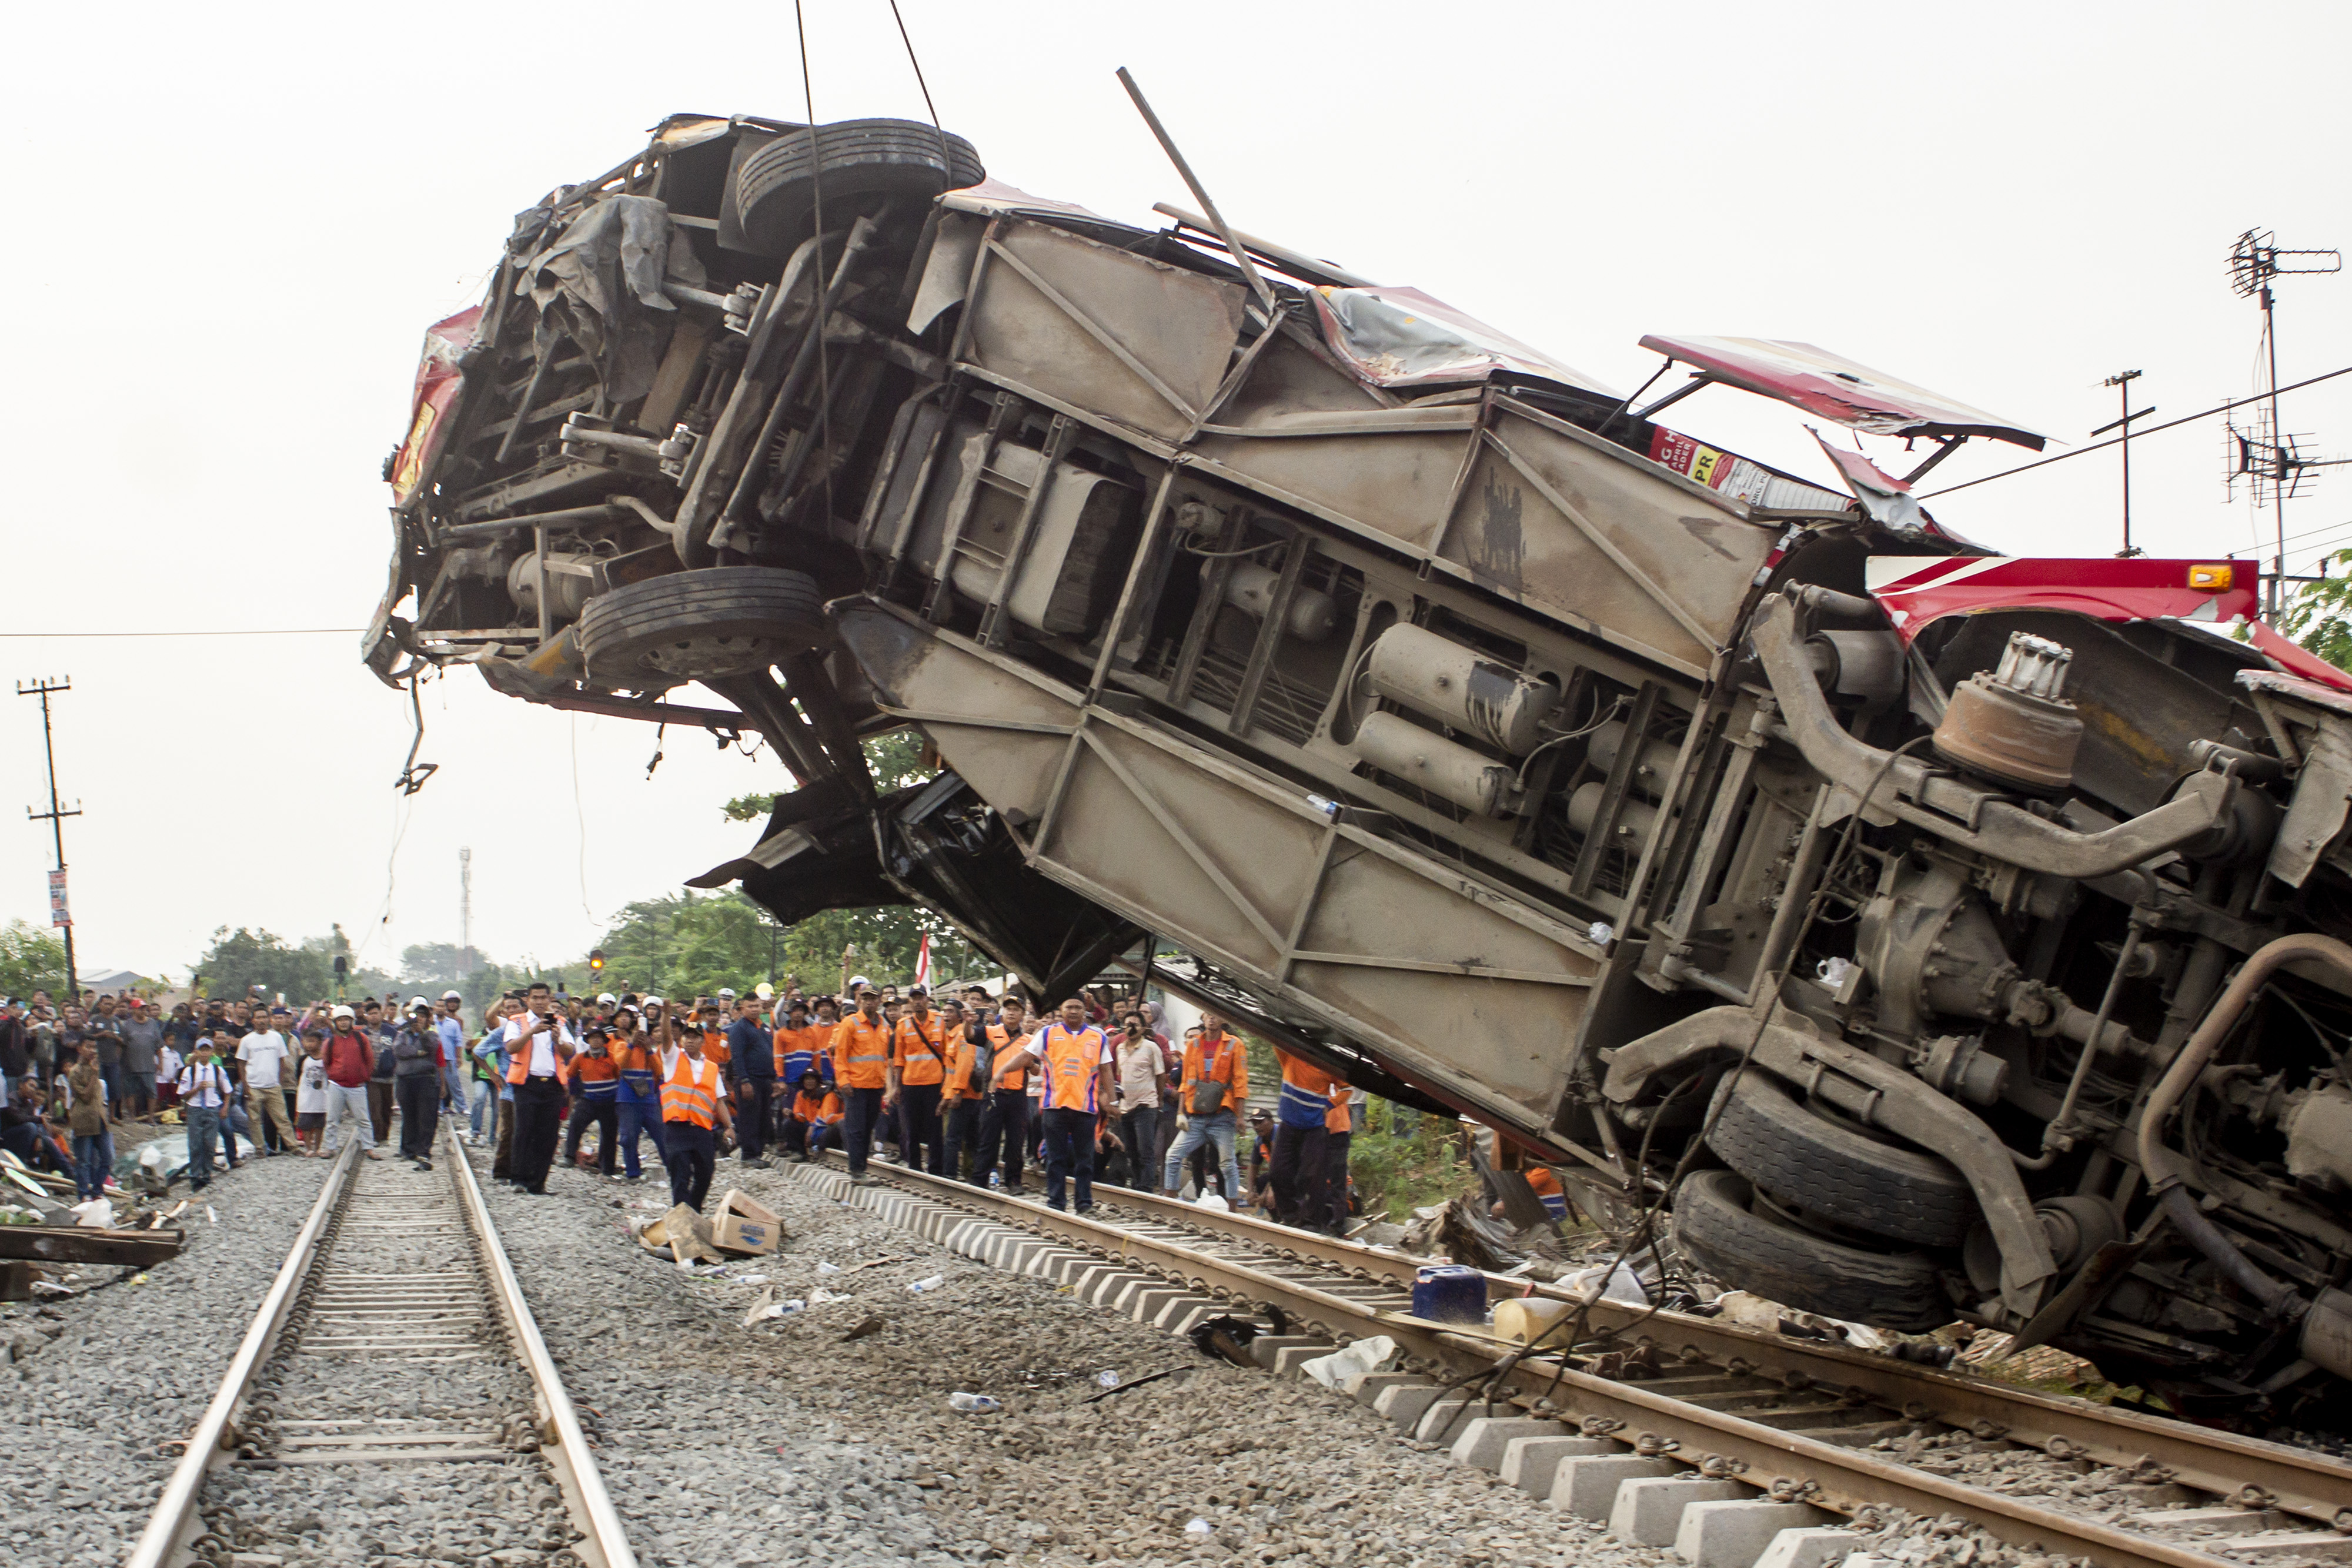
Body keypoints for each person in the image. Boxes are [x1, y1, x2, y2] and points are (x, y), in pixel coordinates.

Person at [1010, 998, 1116, 1213]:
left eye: (1078, 1007)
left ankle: (1084, 1204)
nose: (1074, 1011)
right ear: (1061, 1009)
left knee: (1085, 1161)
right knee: (1055, 1159)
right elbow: (1026, 1056)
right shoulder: (1048, 1034)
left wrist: (1113, 1101)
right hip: (1054, 1107)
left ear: (1085, 1010)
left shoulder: (1097, 1037)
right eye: (1069, 1007)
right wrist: (1003, 1071)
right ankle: (1056, 1202)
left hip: (1085, 1108)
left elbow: (1106, 1070)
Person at [1162, 1011, 1248, 1202]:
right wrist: (1181, 1113)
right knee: (1173, 1157)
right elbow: (1186, 1081)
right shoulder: (1194, 1045)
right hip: (1197, 1116)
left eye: (1216, 1014)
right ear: (1203, 1019)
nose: (1212, 1017)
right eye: (1208, 1014)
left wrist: (1240, 1117)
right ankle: (1170, 1204)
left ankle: (1232, 1213)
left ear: (1224, 1018)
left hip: (1223, 1116)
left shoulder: (1235, 1045)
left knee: (1227, 1165)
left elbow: (1241, 1083)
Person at [503, 984, 575, 1194]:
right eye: (535, 998)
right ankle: (518, 1179)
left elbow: (569, 1051)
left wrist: (557, 1039)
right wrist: (533, 1031)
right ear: (528, 1000)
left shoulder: (560, 1022)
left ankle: (537, 1183)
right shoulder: (517, 1021)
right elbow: (511, 1047)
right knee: (524, 1131)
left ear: (550, 998)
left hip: (552, 1085)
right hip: (527, 1084)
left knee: (548, 1135)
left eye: (544, 998)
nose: (540, 1002)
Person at [658, 1021, 732, 1209]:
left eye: (694, 1037)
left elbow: (719, 1100)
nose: (689, 1041)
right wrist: (665, 1014)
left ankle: (693, 1210)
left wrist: (730, 1126)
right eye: (687, 1037)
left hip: (701, 1130)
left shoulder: (712, 1068)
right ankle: (683, 1219)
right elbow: (666, 1039)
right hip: (677, 1128)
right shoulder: (673, 1059)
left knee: (706, 1174)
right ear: (681, 1039)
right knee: (680, 1176)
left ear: (702, 1041)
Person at [971, 994, 1034, 1192]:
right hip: (993, 1094)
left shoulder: (1030, 1040)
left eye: (1016, 1009)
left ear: (1023, 1014)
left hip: (1017, 1096)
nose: (1011, 1013)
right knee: (989, 1139)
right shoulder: (991, 1031)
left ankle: (1014, 1181)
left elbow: (1037, 1069)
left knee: (1016, 1142)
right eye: (1008, 1009)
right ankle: (979, 1179)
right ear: (1002, 1012)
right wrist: (967, 1023)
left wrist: (1028, 1061)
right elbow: (971, 1036)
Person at [830, 986, 892, 1186]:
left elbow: (885, 1056)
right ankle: (857, 1171)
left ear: (879, 1001)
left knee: (867, 1129)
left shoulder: (884, 1025)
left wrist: (887, 1084)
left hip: (875, 1085)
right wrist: (844, 1081)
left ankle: (862, 1168)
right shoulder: (850, 1023)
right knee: (856, 1129)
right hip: (855, 1086)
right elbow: (840, 1055)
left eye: (873, 999)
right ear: (859, 1000)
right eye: (865, 998)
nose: (869, 1002)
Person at [887, 987, 949, 1176]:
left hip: (934, 1084)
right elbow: (898, 1059)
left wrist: (946, 1086)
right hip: (910, 1084)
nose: (917, 1002)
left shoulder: (940, 1022)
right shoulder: (903, 1025)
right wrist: (897, 1087)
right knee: (911, 1128)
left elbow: (947, 1056)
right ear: (910, 1002)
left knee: (934, 1129)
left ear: (927, 999)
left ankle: (935, 1169)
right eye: (913, 998)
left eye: (920, 998)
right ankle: (914, 1166)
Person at [1269, 1047, 1334, 1226]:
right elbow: (1276, 1040)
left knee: (1311, 1175)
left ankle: (1312, 1221)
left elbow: (1346, 1088)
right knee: (1277, 1172)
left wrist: (1331, 1104)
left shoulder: (1327, 1067)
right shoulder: (1290, 1058)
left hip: (1314, 1129)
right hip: (1288, 1125)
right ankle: (1290, 1215)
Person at [320, 1005, 381, 1159]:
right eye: (340, 1020)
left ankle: (369, 1147)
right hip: (337, 1086)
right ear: (335, 1022)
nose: (343, 1023)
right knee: (332, 1119)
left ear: (352, 1021)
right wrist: (335, 1075)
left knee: (363, 1119)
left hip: (357, 1086)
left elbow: (369, 1060)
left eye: (346, 1020)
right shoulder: (331, 1042)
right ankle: (330, 1148)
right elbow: (326, 1062)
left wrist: (364, 1076)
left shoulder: (362, 1039)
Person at [560, 1025, 622, 1176]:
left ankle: (607, 1167)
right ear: (588, 1041)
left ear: (604, 1041)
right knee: (575, 1125)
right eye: (593, 1038)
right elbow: (569, 1073)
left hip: (609, 1102)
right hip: (588, 1100)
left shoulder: (613, 1057)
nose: (596, 1041)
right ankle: (569, 1157)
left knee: (609, 1134)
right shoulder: (580, 1058)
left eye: (599, 1038)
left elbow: (620, 1077)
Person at [609, 1011, 663, 1181]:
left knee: (661, 1134)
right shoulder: (621, 1046)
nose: (641, 1037)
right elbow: (621, 1064)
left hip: (648, 1100)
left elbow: (660, 1070)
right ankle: (633, 1173)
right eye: (637, 1033)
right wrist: (632, 1045)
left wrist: (648, 1049)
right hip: (628, 1100)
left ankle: (672, 1166)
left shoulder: (651, 1052)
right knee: (629, 1138)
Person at [1112, 1011, 1162, 1193]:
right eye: (1128, 1024)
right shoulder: (1119, 1048)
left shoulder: (1151, 1048)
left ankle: (1146, 1187)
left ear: (1143, 1028)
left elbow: (1160, 1075)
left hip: (1146, 1106)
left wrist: (1159, 1099)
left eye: (1135, 1024)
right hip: (1126, 1107)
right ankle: (1136, 1184)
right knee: (1131, 1151)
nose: (1131, 1028)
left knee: (1145, 1150)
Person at [179, 1037, 236, 1191]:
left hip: (212, 1108)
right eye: (201, 1050)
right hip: (195, 1108)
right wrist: (197, 1089)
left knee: (210, 1143)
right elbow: (183, 1095)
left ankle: (206, 1174)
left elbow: (228, 1091)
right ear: (196, 1052)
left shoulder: (217, 1071)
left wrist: (224, 1108)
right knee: (195, 1143)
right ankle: (195, 1176)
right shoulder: (189, 1071)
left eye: (207, 1050)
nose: (204, 1054)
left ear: (211, 1052)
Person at [392, 999, 443, 1170]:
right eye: (417, 1016)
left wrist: (421, 1034)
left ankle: (424, 1150)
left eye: (423, 1016)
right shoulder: (402, 1035)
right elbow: (400, 1051)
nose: (419, 1019)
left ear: (427, 1019)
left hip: (426, 1080)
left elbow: (432, 1049)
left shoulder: (432, 1035)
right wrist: (418, 1052)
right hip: (405, 1080)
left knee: (426, 1117)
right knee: (409, 1116)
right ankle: (408, 1149)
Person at [239, 1009, 297, 1156]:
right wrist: (245, 1085)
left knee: (283, 1118)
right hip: (254, 1086)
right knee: (255, 1120)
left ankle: (293, 1146)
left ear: (268, 1019)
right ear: (253, 1020)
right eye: (258, 1018)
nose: (262, 1021)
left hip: (273, 1086)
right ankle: (260, 1148)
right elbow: (241, 1063)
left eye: (264, 1017)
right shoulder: (247, 1040)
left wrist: (279, 1079)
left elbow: (282, 1059)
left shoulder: (276, 1037)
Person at [726, 995, 775, 1168]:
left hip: (765, 1079)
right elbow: (737, 1057)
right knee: (750, 1118)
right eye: (751, 1006)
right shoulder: (739, 1028)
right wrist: (744, 1080)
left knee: (763, 1118)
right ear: (742, 1008)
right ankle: (748, 1155)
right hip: (750, 1079)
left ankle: (758, 1154)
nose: (755, 1009)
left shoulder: (765, 1027)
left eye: (757, 1006)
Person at [937, 1001, 983, 1181]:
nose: (945, 1015)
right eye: (944, 1011)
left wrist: (957, 1093)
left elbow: (965, 1066)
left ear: (959, 1016)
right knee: (970, 1139)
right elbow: (951, 1071)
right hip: (960, 1094)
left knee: (953, 1138)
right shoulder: (952, 1035)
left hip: (965, 1096)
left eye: (950, 1012)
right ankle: (972, 1175)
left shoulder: (962, 1036)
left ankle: (950, 1175)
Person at [64, 1042, 108, 1199]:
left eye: (95, 1048)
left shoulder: (95, 1067)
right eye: (88, 1047)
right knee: (83, 1160)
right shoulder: (75, 1071)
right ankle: (84, 1193)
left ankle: (97, 1189)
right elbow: (84, 1096)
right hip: (83, 1119)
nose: (92, 1051)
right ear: (80, 1049)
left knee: (108, 1158)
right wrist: (94, 1076)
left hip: (100, 1118)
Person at [120, 1002, 163, 1120]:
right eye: (140, 1009)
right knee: (130, 1092)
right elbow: (122, 1045)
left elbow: (159, 1046)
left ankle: (151, 1117)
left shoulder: (153, 1024)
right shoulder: (127, 1025)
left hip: (148, 1065)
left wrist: (160, 1063)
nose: (143, 1011)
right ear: (134, 1010)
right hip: (130, 1065)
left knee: (151, 1092)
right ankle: (132, 1117)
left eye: (145, 1008)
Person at [436, 991, 470, 1134]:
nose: (451, 1005)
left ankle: (461, 1107)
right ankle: (440, 1107)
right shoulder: (432, 1021)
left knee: (454, 1082)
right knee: (437, 1083)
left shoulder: (456, 1023)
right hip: (435, 1059)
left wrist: (459, 1057)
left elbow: (458, 1041)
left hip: (449, 1058)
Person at [787, 1075, 841, 1161]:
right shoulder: (801, 1095)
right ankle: (799, 1152)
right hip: (817, 1130)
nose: (809, 1082)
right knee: (789, 1123)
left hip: (816, 1128)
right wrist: (792, 1116)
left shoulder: (822, 1094)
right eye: (807, 1079)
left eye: (812, 1079)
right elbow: (828, 1118)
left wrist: (812, 1126)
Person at [294, 1029, 330, 1154]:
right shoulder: (303, 1059)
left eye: (312, 1041)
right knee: (306, 1124)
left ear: (320, 1043)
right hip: (306, 1096)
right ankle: (309, 1148)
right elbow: (298, 1074)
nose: (309, 1044)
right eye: (307, 1041)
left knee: (320, 1124)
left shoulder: (325, 1060)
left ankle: (318, 1147)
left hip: (321, 1096)